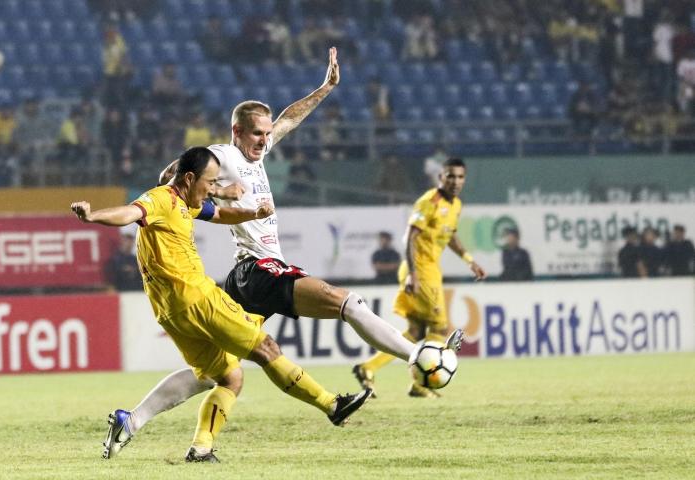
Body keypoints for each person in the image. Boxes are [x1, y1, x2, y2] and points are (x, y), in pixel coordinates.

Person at [102, 48, 443, 460]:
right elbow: (168, 178)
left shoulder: (257, 152)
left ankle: (140, 423)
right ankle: (417, 355)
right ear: (236, 132)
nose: (265, 141)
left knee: (217, 373)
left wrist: (325, 89)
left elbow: (289, 120)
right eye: (257, 134)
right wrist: (217, 189)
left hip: (243, 279)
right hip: (258, 269)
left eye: (266, 134)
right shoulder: (224, 156)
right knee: (344, 301)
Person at [73, 147, 372, 463]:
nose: (211, 190)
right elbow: (129, 213)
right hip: (199, 299)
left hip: (170, 312)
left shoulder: (188, 204)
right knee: (266, 349)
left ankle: (194, 447)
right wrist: (93, 216)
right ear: (190, 178)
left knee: (230, 377)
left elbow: (219, 214)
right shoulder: (162, 199)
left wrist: (253, 214)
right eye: (209, 182)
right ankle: (332, 406)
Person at [353, 157, 486, 399]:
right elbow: (410, 238)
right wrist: (414, 274)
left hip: (429, 271)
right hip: (420, 271)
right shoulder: (429, 202)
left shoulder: (455, 205)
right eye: (450, 176)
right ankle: (422, 383)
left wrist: (469, 260)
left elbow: (451, 236)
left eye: (460, 177)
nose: (455, 181)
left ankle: (368, 368)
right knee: (440, 327)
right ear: (440, 177)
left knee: (415, 331)